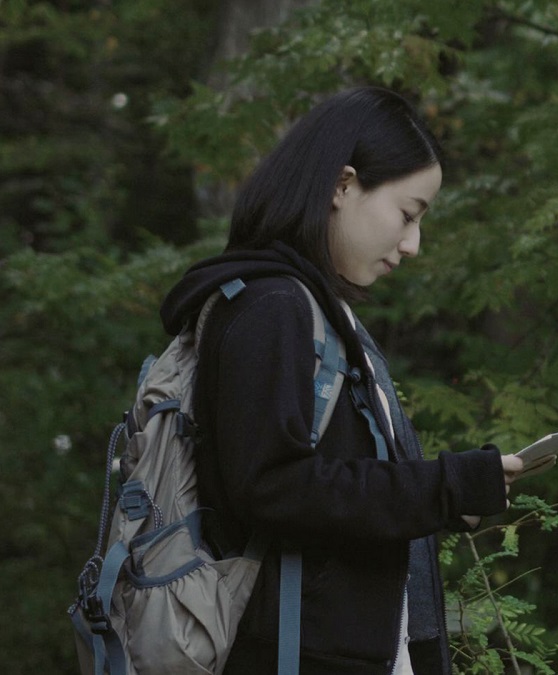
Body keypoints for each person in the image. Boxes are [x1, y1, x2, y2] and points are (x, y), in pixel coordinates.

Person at [159, 87, 522, 675]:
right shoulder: (270, 306)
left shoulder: (308, 310)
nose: (413, 244)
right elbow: (274, 487)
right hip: (290, 654)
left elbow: (322, 486)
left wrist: (455, 496)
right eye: (408, 214)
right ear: (342, 184)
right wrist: (445, 487)